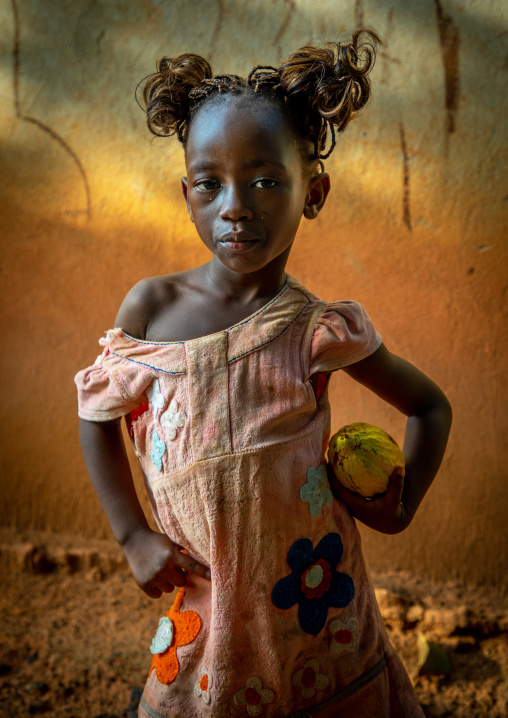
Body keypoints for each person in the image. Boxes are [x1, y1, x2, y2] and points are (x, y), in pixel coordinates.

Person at [75, 30, 452, 718]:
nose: (236, 206)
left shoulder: (316, 331)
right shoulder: (152, 310)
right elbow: (96, 412)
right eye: (211, 185)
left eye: (265, 181)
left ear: (314, 191)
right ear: (187, 194)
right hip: (205, 594)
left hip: (315, 592)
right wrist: (131, 534)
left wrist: (400, 506)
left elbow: (429, 407)